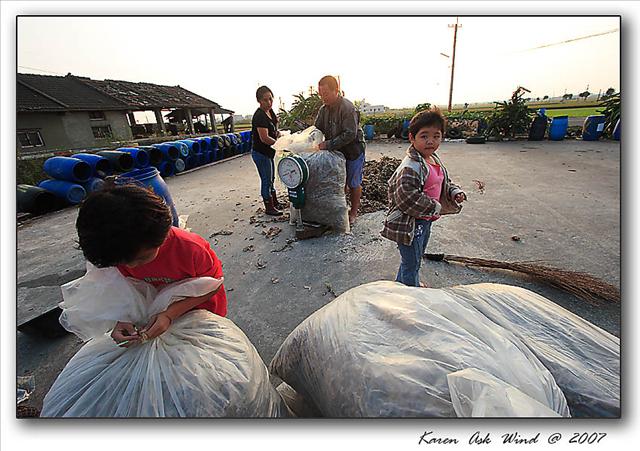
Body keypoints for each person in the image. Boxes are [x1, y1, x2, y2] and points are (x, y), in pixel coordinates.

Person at [75, 183, 228, 346]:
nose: (131, 266)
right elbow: (127, 291)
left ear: (163, 235)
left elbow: (214, 285)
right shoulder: (117, 252)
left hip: (201, 313)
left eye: (141, 258)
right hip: (156, 321)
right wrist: (125, 318)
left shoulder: (190, 249)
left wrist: (169, 314)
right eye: (122, 262)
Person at [381, 108, 467, 287]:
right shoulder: (411, 166)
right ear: (412, 138)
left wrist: (454, 192)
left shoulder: (432, 159)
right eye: (424, 136)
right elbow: (406, 198)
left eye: (436, 136)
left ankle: (400, 286)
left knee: (413, 259)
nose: (430, 141)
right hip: (410, 223)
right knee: (412, 263)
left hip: (425, 220)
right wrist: (435, 207)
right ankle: (413, 295)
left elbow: (442, 182)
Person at [314, 75, 366, 226]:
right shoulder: (323, 110)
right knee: (339, 182)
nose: (323, 98)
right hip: (337, 152)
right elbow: (317, 129)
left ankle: (353, 212)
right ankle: (341, 210)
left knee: (353, 182)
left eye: (325, 94)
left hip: (353, 151)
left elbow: (350, 133)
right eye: (320, 94)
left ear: (336, 90)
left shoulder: (347, 108)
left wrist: (328, 144)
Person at [251, 85, 283, 216]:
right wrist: (280, 144)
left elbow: (274, 130)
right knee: (266, 179)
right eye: (265, 100)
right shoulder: (259, 116)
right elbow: (264, 138)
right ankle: (269, 206)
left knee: (271, 178)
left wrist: (278, 134)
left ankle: (274, 202)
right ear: (259, 101)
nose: (269, 102)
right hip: (261, 153)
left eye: (270, 99)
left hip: (269, 153)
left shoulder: (270, 112)